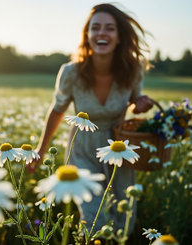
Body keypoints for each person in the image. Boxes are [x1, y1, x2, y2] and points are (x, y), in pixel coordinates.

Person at [27, 3, 154, 238]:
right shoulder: (70, 73)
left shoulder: (133, 69)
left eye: (109, 28)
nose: (101, 33)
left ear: (119, 37)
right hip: (82, 148)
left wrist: (140, 103)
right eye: (95, 28)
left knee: (122, 219)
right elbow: (57, 111)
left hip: (119, 148)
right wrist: (41, 150)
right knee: (95, 218)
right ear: (87, 35)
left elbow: (135, 99)